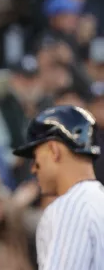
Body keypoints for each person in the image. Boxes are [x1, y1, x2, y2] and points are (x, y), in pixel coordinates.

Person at [12, 105, 104, 269]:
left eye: (35, 156)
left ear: (53, 150)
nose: (33, 168)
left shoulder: (70, 207)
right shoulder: (98, 199)